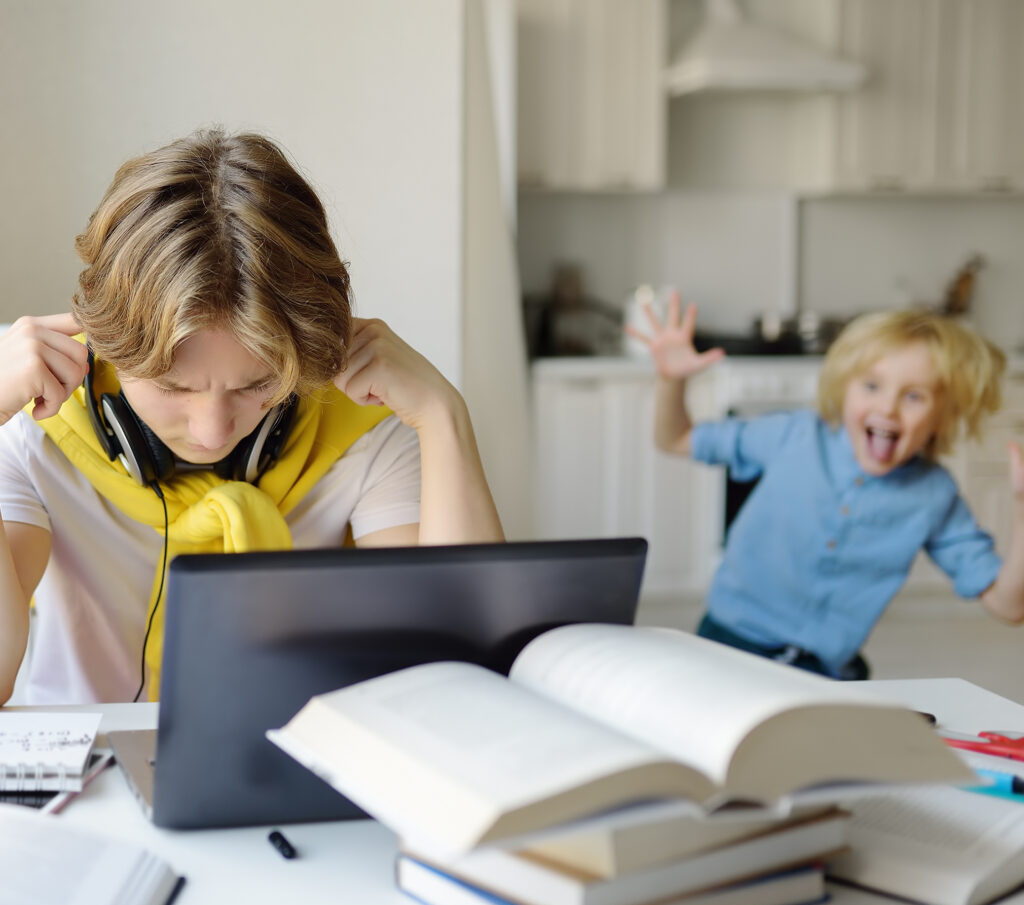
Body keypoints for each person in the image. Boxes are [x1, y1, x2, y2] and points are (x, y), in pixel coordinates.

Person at [0, 128, 504, 706]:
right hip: (90, 783)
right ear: (104, 345)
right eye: (172, 386)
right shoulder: (39, 428)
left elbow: (462, 676)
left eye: (259, 385)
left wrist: (445, 418)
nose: (212, 430)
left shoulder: (361, 427)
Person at [628, 292, 1024, 680]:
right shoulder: (793, 435)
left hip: (825, 672)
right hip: (727, 644)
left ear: (944, 416)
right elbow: (675, 439)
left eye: (914, 396)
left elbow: (1009, 606)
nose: (887, 408)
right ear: (843, 387)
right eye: (871, 386)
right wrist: (671, 381)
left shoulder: (934, 494)